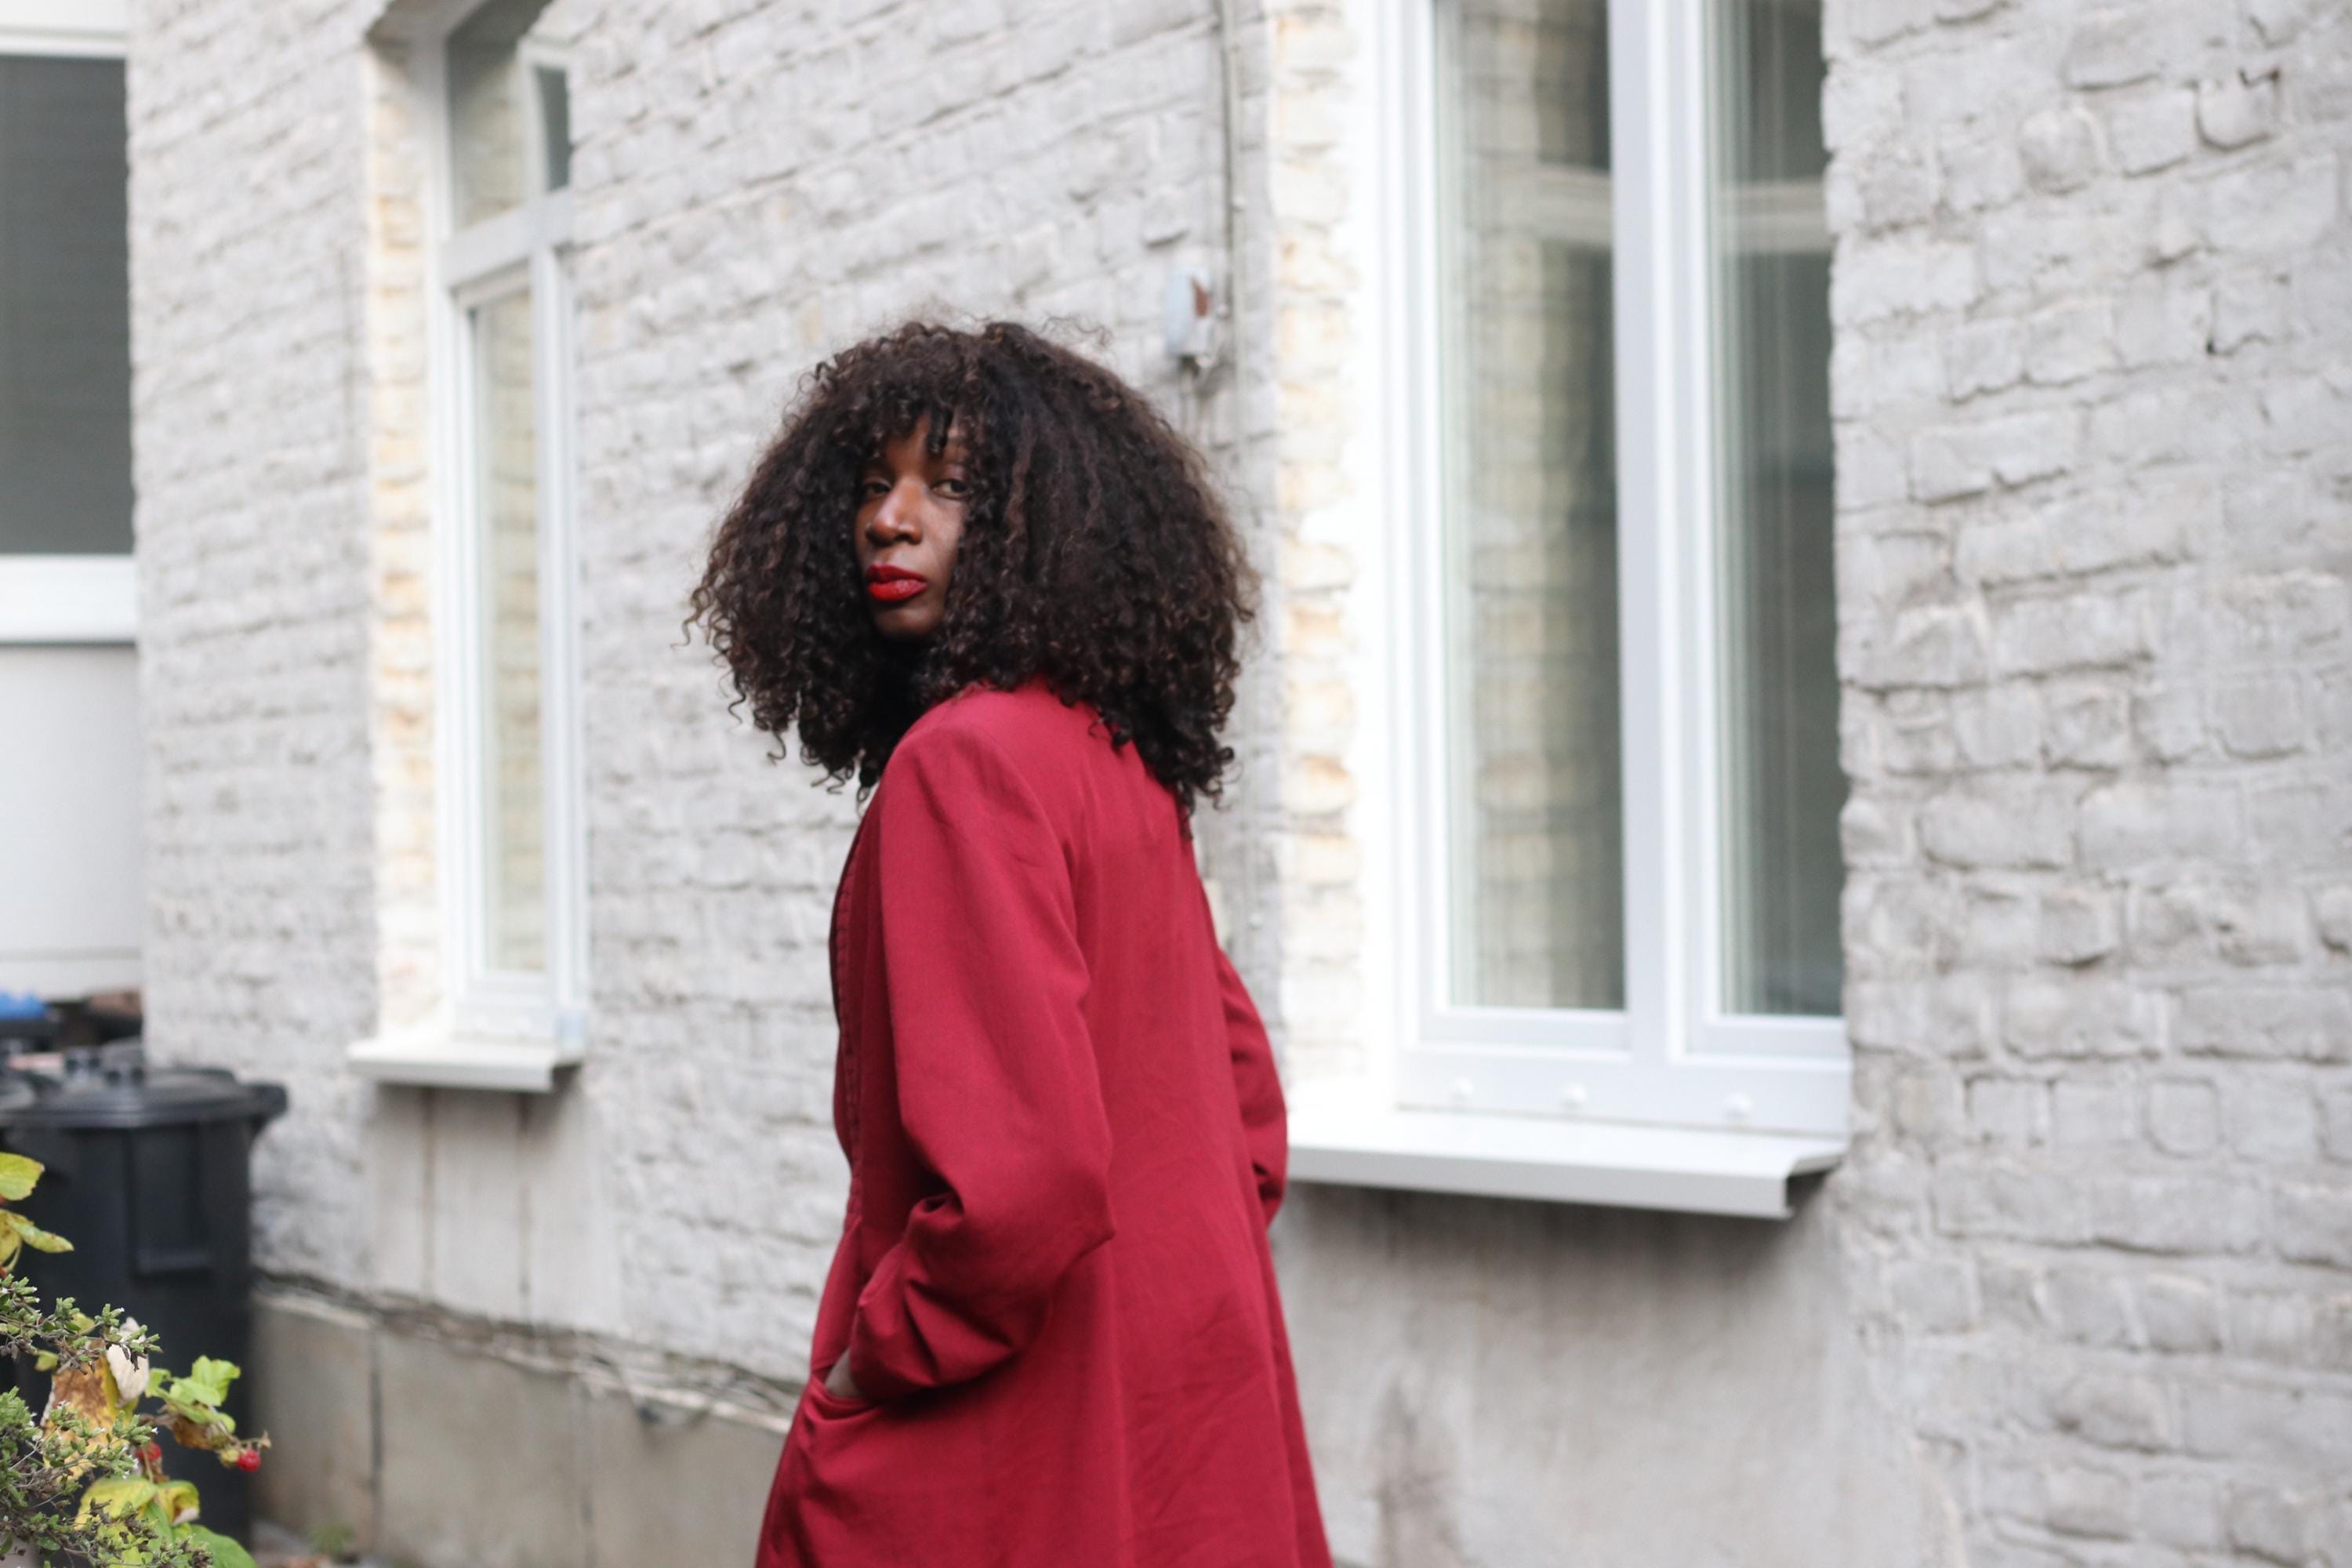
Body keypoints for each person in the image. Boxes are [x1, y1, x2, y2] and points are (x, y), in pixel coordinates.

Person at [689, 321, 1332, 1568]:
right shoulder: (1112, 760)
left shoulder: (965, 766)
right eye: (875, 482)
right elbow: (1245, 1116)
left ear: (1048, 524)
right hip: (1183, 1414)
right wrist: (1167, 1273)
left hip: (1006, 1428)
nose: (894, 517)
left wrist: (877, 1359)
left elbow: (1018, 1189)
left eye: (954, 485)